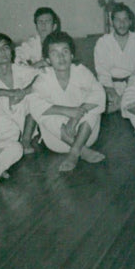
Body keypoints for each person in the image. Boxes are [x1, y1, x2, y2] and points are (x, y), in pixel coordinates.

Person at [30, 31, 107, 172]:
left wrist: (76, 117)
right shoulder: (43, 78)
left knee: (93, 109)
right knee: (43, 114)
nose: (61, 57)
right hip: (58, 140)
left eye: (65, 52)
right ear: (47, 60)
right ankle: (81, 151)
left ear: (72, 56)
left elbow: (99, 95)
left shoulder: (81, 72)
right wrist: (68, 111)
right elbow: (34, 105)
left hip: (86, 135)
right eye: (55, 53)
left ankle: (74, 152)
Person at [0, 33, 39, 153]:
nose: (2, 52)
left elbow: (42, 77)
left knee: (36, 95)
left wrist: (23, 92)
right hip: (1, 132)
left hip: (26, 129)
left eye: (5, 47)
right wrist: (10, 93)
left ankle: (25, 141)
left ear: (11, 52)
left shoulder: (20, 69)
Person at [93, 2, 135, 113]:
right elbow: (102, 72)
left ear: (130, 22)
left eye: (125, 19)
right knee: (99, 104)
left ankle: (124, 106)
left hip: (133, 86)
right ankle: (128, 106)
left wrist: (127, 94)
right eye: (117, 20)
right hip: (109, 87)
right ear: (112, 22)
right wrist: (112, 92)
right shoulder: (103, 42)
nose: (121, 24)